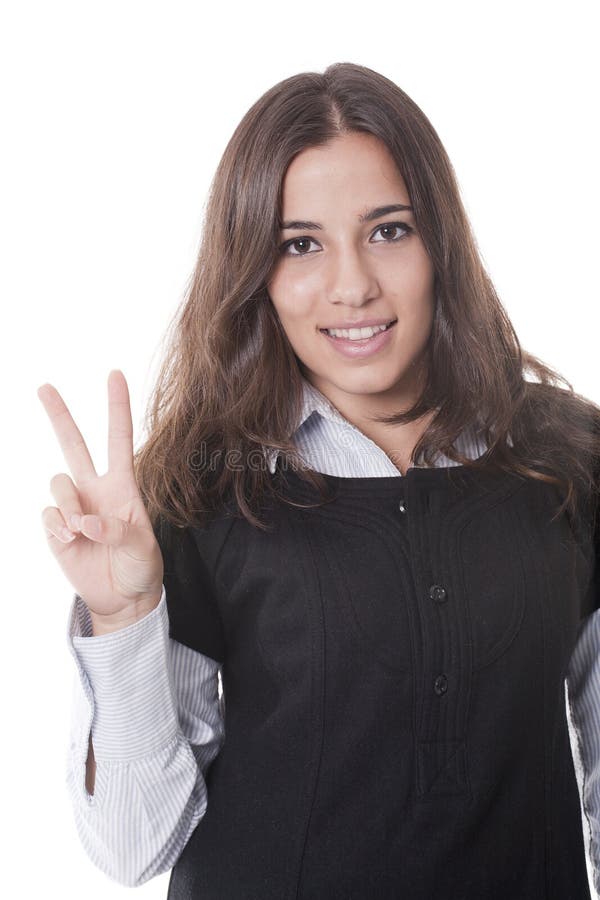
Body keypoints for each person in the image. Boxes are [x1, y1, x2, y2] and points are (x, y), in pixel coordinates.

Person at [38, 62, 600, 899]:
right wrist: (123, 618)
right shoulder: (202, 485)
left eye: (389, 230)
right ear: (254, 273)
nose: (352, 286)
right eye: (300, 244)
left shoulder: (568, 459)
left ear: (440, 240)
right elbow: (133, 848)